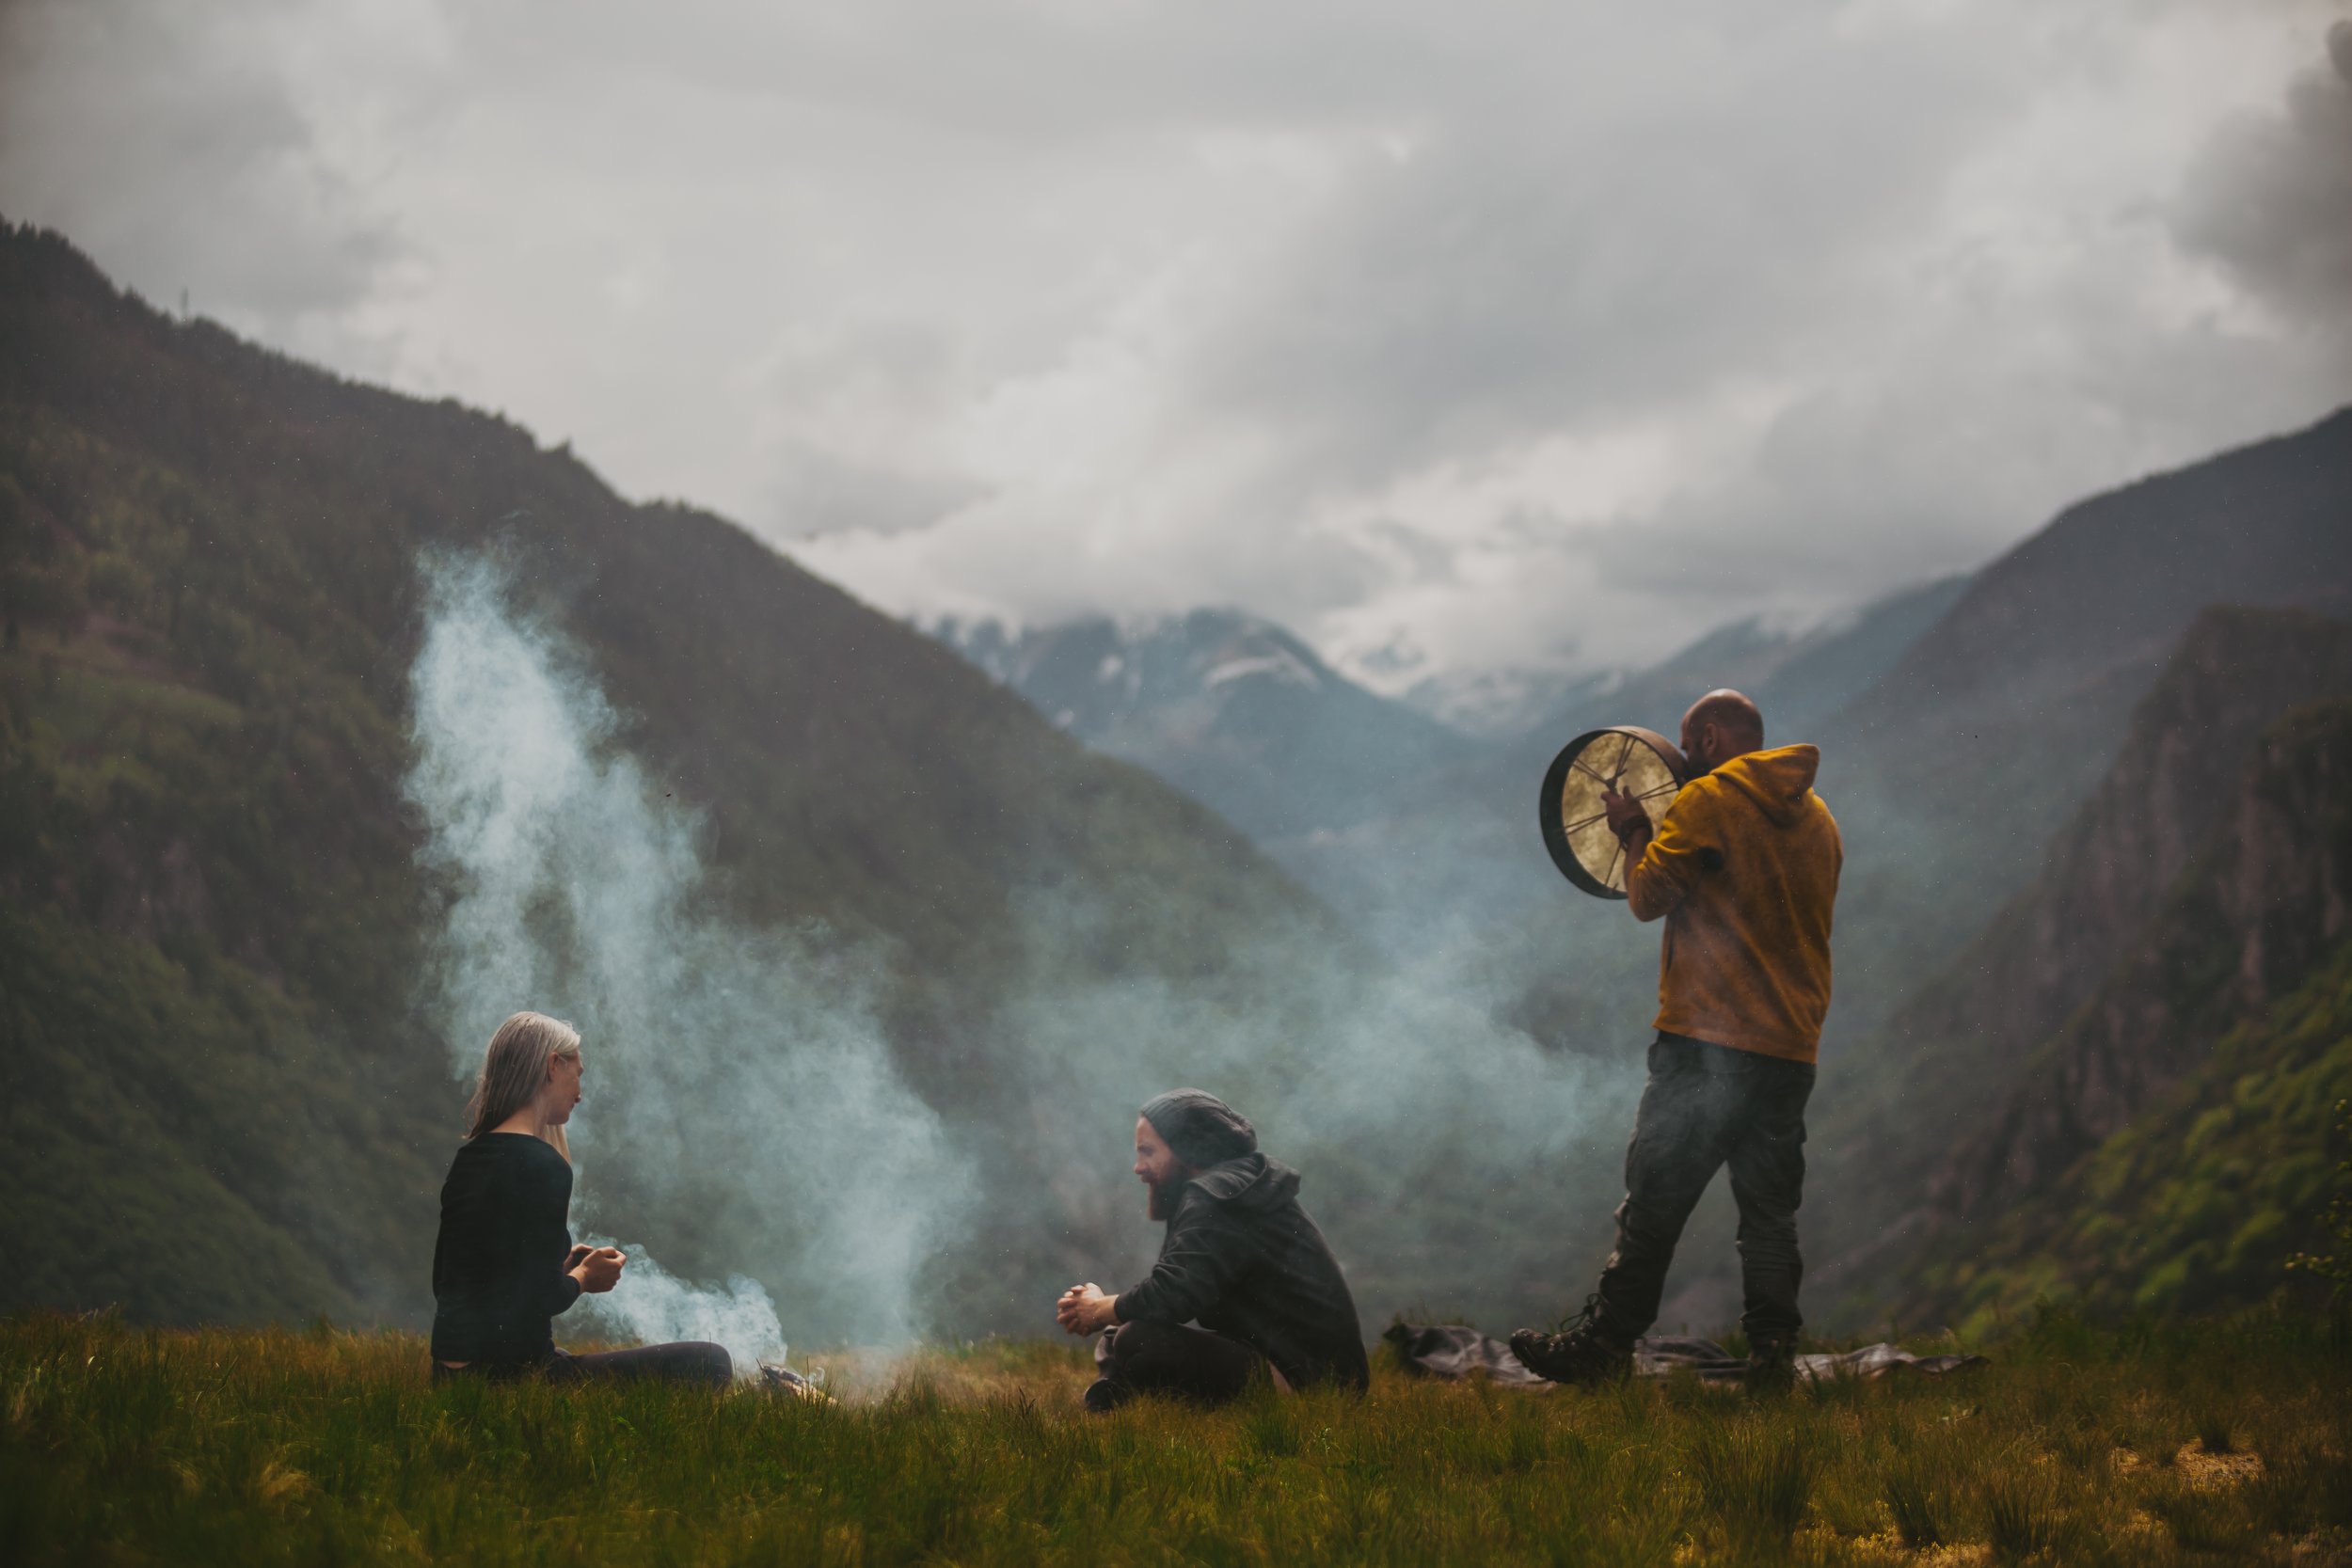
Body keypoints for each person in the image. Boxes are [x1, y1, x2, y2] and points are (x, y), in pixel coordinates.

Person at [1512, 689, 1842, 1387]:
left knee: (1653, 1199)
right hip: (1790, 1046)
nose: (1685, 760)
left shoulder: (1710, 799)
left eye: (1691, 747)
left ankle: (1605, 1346)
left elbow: (1646, 899)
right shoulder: (1819, 820)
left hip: (1707, 1042)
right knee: (1769, 1215)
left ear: (1714, 736)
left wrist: (1634, 827)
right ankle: (1773, 1358)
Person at [430, 1011, 733, 1386]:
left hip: (449, 1375)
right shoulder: (545, 1164)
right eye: (578, 1073)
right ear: (553, 1065)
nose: (580, 1093)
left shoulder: (470, 1158)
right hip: (518, 1377)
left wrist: (559, 1265)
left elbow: (451, 1283)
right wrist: (584, 1277)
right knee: (712, 1361)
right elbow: (543, 1299)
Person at [1056, 1089, 1370, 1410]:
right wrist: (1109, 1310)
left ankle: (1116, 1397)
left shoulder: (1219, 1198)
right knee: (1117, 1332)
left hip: (1312, 1381)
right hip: (1288, 1363)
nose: (1138, 1166)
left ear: (1186, 1149)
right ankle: (1115, 1399)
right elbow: (1174, 1292)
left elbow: (1172, 1296)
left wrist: (1097, 1307)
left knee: (1139, 1339)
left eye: (1148, 1152)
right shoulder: (1229, 1187)